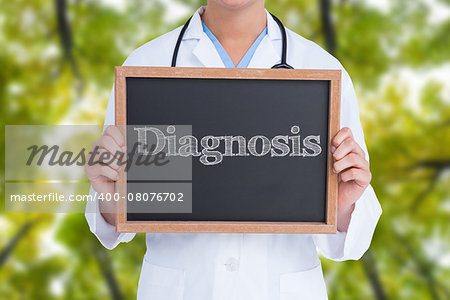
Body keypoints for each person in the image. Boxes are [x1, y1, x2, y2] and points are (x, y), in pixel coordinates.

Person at [85, 0, 382, 299]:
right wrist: (109, 192)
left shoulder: (321, 70)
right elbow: (120, 220)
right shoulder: (146, 67)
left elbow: (349, 242)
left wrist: (341, 204)